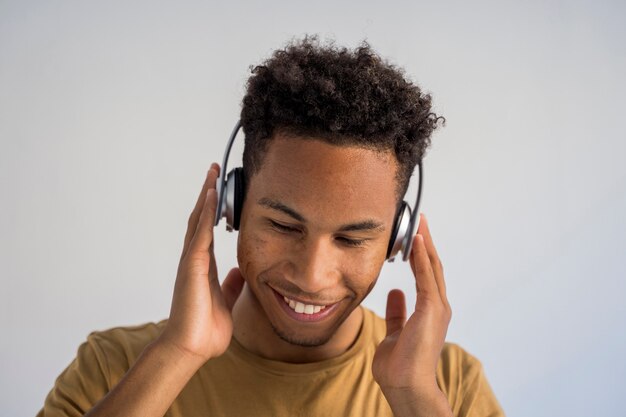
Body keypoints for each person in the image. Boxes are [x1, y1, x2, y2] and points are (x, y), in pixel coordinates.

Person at [37, 36, 505, 417]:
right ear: (230, 207)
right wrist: (177, 355)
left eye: (351, 238)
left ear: (397, 239)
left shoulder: (448, 387)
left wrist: (415, 398)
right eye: (283, 225)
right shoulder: (114, 368)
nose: (311, 275)